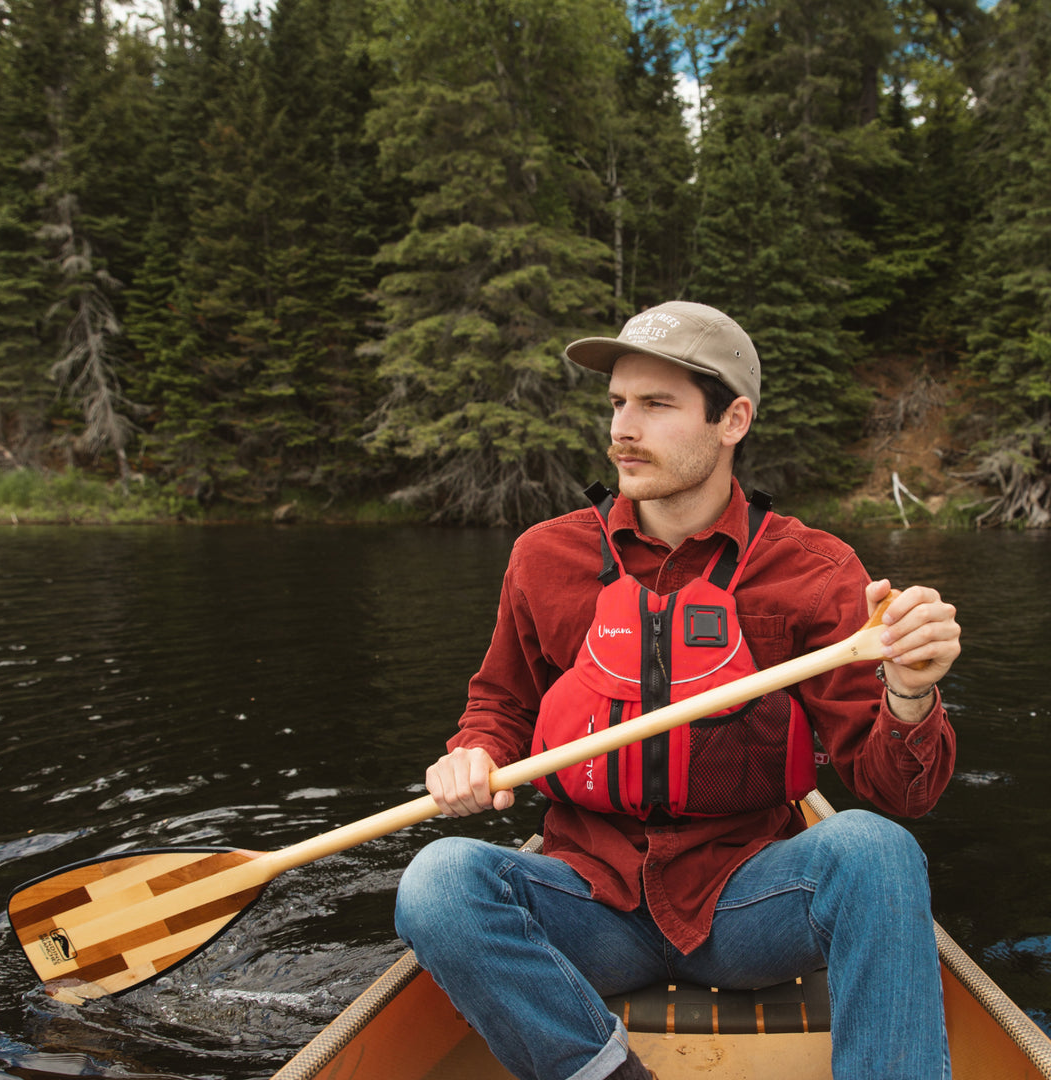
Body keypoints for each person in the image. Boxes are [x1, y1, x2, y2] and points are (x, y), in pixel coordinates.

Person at [394, 301, 961, 1080]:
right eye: (619, 403)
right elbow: (500, 705)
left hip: (748, 904)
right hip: (589, 901)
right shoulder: (545, 556)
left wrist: (908, 695)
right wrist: (472, 753)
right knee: (439, 883)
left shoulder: (814, 570)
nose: (624, 428)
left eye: (657, 405)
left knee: (878, 851)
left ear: (732, 420)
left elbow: (904, 788)